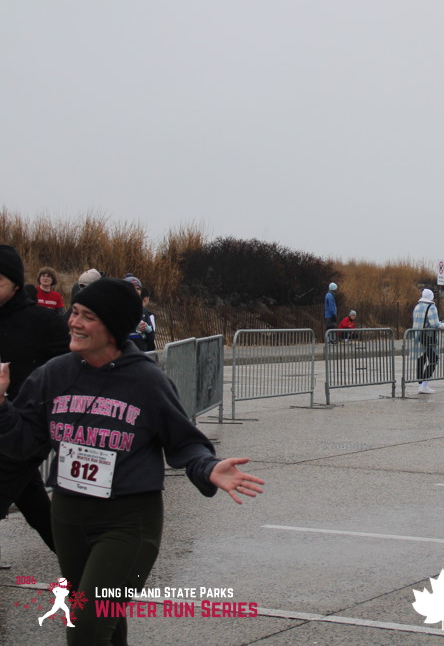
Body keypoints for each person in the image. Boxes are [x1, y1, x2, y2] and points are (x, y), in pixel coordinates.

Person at [0, 277, 264, 645]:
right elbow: (23, 443)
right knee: (105, 624)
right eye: (74, 313)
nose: (74, 322)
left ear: (112, 327)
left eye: (88, 316)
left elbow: (185, 442)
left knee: (86, 629)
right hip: (69, 518)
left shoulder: (147, 381)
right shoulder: (53, 374)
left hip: (126, 523)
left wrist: (208, 467)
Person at [0, 245, 69, 554]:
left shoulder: (42, 321)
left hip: (24, 430)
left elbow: (75, 364)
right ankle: (82, 561)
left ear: (15, 284)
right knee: (33, 501)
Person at [412, 289, 444, 394]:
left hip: (418, 337)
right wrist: (442, 324)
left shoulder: (417, 307)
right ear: (431, 297)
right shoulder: (431, 307)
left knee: (420, 361)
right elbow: (435, 324)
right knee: (433, 360)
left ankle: (420, 384)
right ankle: (424, 385)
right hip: (428, 338)